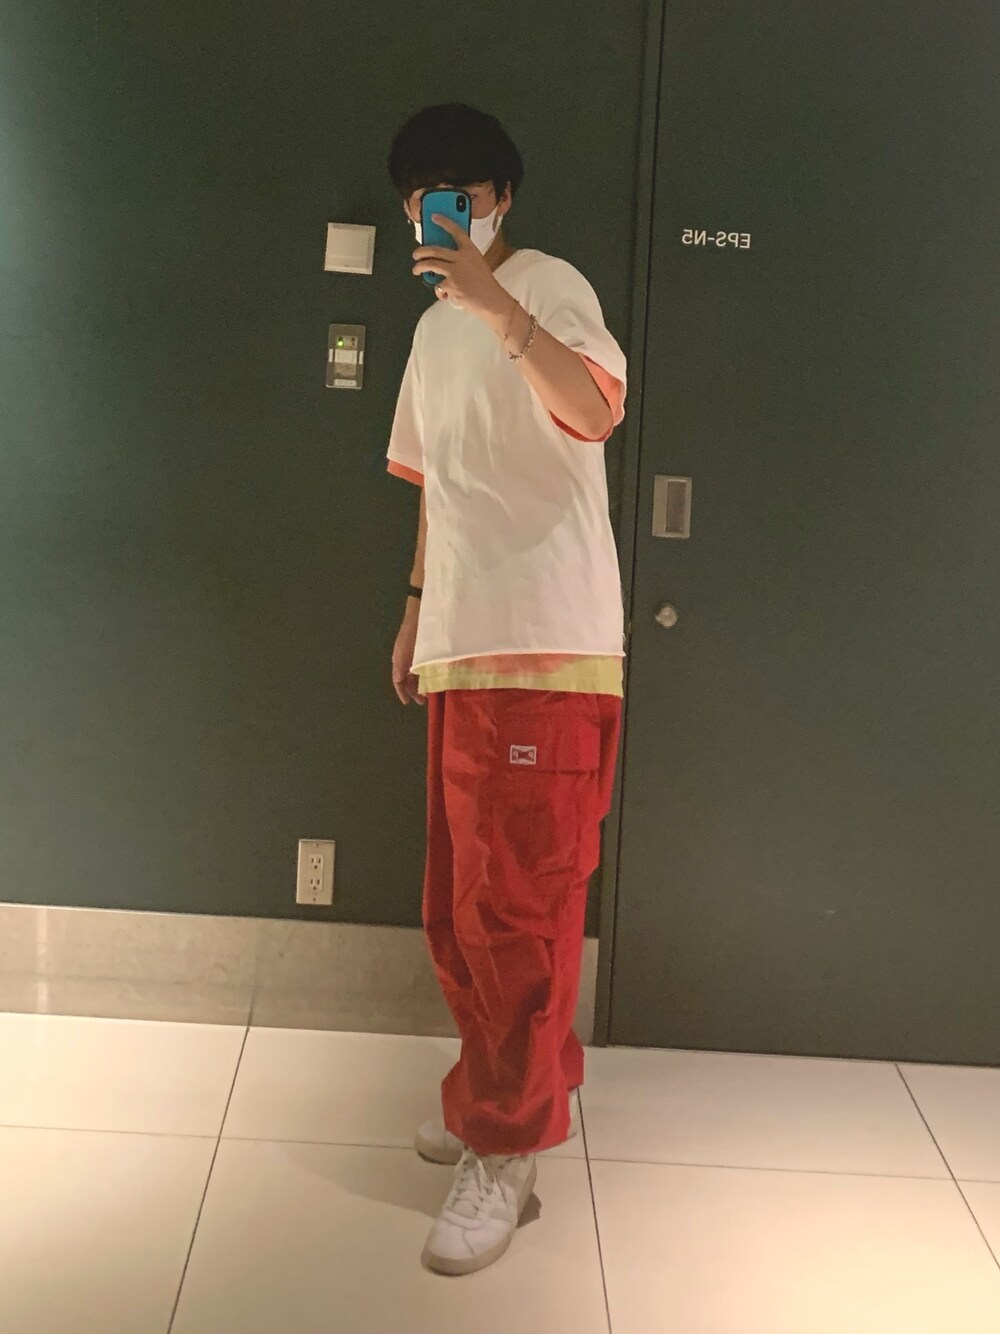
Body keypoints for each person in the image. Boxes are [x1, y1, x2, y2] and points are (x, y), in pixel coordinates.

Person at [385, 103, 627, 1276]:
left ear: (501, 201)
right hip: (463, 641)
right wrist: (413, 604)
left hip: (546, 645)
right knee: (460, 907)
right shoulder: (431, 330)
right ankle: (501, 1089)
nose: (442, 217)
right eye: (423, 200)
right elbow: (436, 483)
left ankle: (508, 1144)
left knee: (518, 912)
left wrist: (498, 305)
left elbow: (594, 409)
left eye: (462, 197)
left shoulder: (544, 286)